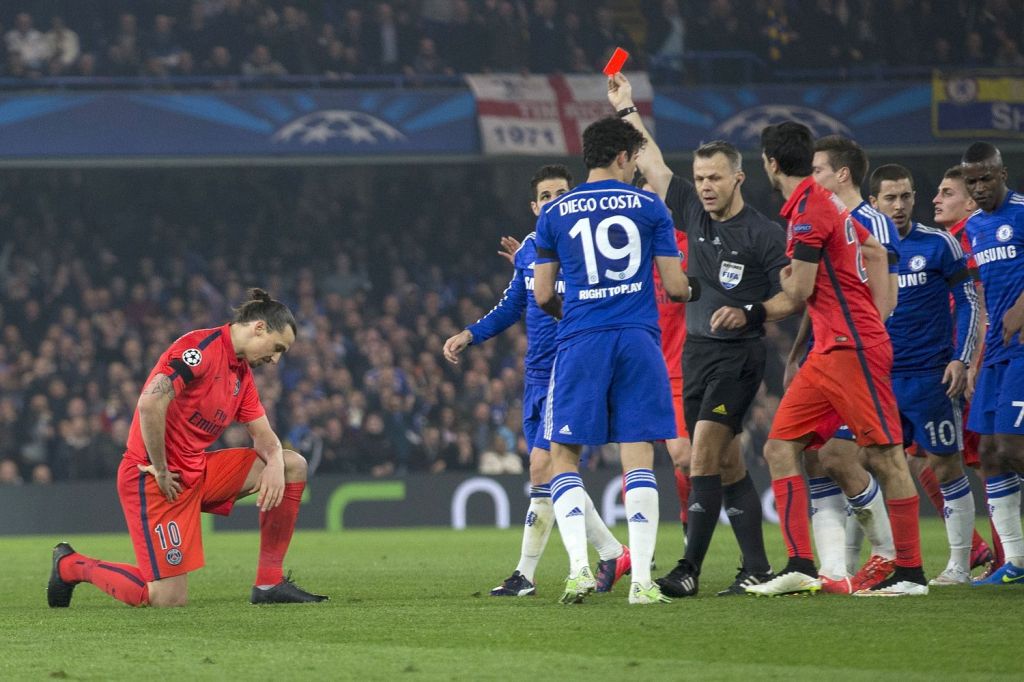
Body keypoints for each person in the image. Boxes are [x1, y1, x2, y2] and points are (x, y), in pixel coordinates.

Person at [608, 72, 799, 597]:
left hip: (739, 358)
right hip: (696, 354)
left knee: (702, 455)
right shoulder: (691, 209)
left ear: (738, 179)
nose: (707, 186)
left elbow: (794, 295)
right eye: (702, 177)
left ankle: (688, 568)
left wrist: (752, 312)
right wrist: (626, 108)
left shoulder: (764, 234)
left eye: (716, 177)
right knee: (731, 462)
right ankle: (757, 565)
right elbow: (651, 162)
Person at [47, 289, 327, 608]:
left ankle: (269, 584)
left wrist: (275, 458)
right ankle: (69, 566)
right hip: (154, 478)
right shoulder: (199, 349)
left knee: (293, 464)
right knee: (166, 599)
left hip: (196, 472)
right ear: (259, 327)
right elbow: (151, 403)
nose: (275, 359)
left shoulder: (241, 375)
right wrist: (162, 468)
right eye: (277, 348)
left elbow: (263, 435)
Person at [749, 121, 928, 597]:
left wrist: (785, 279)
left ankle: (910, 573)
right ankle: (801, 564)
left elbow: (801, 289)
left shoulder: (809, 210)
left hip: (853, 350)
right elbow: (873, 250)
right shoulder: (828, 206)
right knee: (779, 447)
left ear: (769, 162)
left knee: (886, 456)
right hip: (829, 350)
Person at [442, 165, 631, 598]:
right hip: (537, 374)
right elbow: (512, 306)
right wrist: (469, 334)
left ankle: (530, 573)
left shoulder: (587, 244)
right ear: (534, 206)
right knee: (545, 471)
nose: (554, 201)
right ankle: (610, 551)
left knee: (544, 466)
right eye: (545, 196)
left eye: (561, 193)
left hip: (573, 367)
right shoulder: (529, 249)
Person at [533, 116, 694, 604]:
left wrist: (578, 311)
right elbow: (674, 286)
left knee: (564, 455)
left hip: (582, 339)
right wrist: (695, 286)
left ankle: (580, 568)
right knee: (639, 451)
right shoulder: (649, 206)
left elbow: (542, 295)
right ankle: (643, 581)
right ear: (624, 157)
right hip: (639, 341)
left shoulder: (555, 212)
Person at [789, 134, 903, 593]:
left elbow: (884, 302)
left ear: (842, 174)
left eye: (817, 169)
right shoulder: (820, 217)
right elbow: (816, 299)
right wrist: (800, 352)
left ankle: (889, 556)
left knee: (850, 457)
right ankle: (835, 569)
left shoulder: (871, 220)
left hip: (856, 356)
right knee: (816, 458)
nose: (811, 177)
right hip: (825, 353)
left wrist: (854, 350)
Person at [869, 163, 981, 585]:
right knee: (865, 462)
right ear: (873, 202)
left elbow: (969, 301)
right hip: (877, 376)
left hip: (930, 376)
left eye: (906, 196)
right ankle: (875, 559)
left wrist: (961, 358)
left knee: (946, 465)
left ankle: (959, 563)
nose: (899, 206)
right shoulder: (863, 248)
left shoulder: (939, 245)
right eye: (890, 198)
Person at [958, 142, 1024, 586]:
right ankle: (1016, 562)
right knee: (988, 454)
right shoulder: (974, 227)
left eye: (986, 178)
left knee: (1014, 448)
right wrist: (976, 354)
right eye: (972, 181)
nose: (979, 188)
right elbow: (981, 294)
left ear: (1002, 174)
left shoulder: (1022, 212)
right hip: (996, 352)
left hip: (1022, 348)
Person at [932, 166, 1002, 576]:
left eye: (947, 192)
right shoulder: (949, 241)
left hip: (975, 363)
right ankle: (984, 551)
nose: (936, 198)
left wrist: (972, 361)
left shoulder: (973, 237)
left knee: (989, 459)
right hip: (952, 362)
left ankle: (1005, 556)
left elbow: (981, 303)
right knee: (924, 459)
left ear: (971, 202)